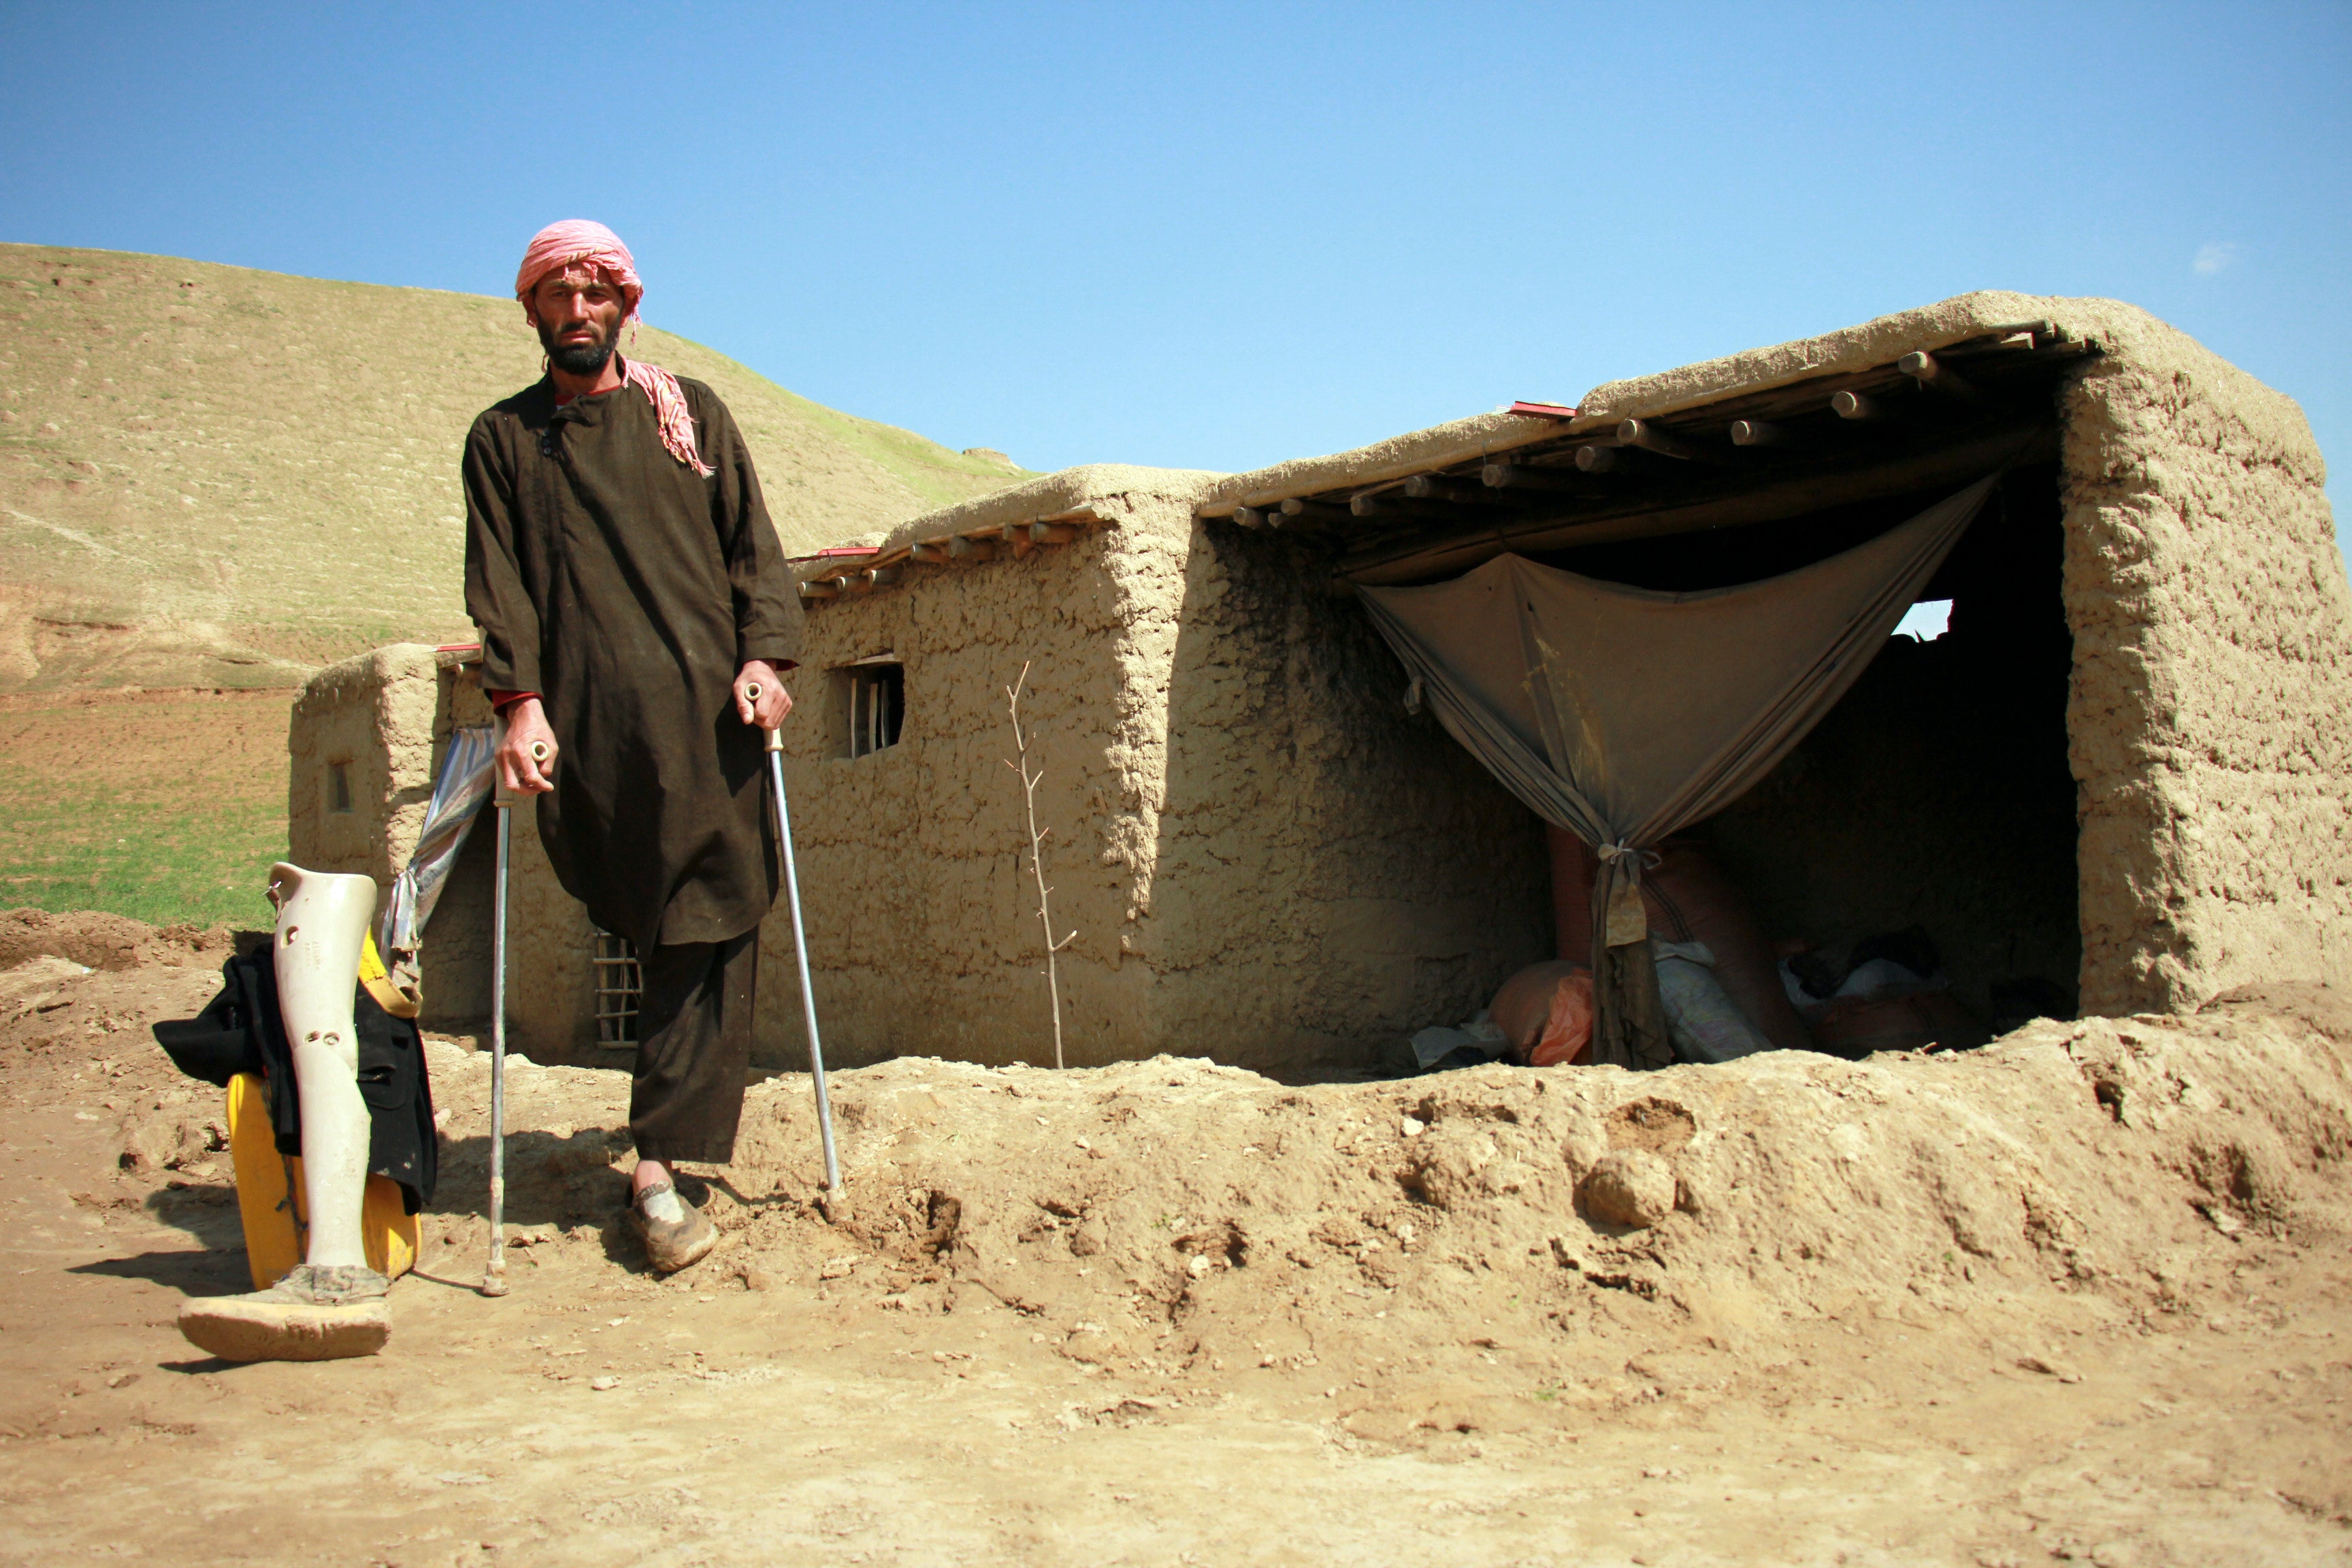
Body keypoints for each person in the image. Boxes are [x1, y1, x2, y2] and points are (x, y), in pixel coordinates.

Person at [463, 219, 803, 1273]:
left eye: (595, 294)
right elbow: (501, 585)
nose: (578, 312)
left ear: (627, 305)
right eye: (557, 297)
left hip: (712, 718)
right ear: (531, 312)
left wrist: (768, 661)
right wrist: (520, 704)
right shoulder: (504, 440)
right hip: (592, 726)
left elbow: (754, 546)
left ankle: (657, 1168)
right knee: (649, 913)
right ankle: (666, 1145)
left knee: (715, 913)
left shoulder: (687, 415)